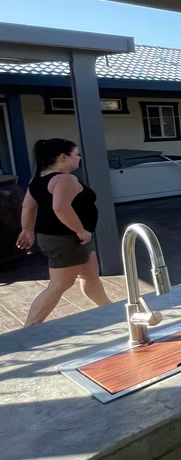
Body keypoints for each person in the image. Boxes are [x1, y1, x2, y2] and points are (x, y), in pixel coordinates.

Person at [16, 138, 111, 326]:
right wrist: (81, 231)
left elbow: (27, 206)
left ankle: (110, 310)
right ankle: (29, 329)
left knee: (90, 277)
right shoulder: (64, 179)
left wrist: (28, 230)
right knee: (59, 285)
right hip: (68, 239)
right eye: (75, 154)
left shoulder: (38, 179)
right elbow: (60, 207)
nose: (79, 157)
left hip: (63, 238)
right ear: (62, 157)